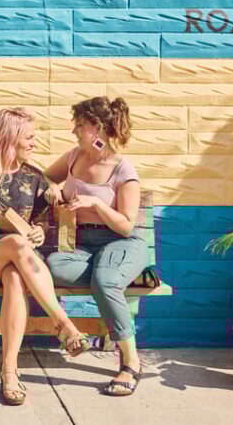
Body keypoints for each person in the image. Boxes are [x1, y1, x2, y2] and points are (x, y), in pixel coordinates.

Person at [0, 107, 90, 407]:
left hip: (19, 260)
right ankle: (64, 324)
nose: (34, 143)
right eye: (29, 137)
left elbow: (41, 220)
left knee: (15, 279)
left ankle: (9, 370)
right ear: (11, 136)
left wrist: (40, 232)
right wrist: (2, 218)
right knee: (17, 243)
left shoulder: (35, 176)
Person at [44, 96, 148, 397]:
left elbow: (126, 225)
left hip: (121, 242)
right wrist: (51, 185)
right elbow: (45, 176)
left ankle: (130, 362)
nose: (74, 131)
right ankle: (115, 278)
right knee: (54, 267)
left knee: (104, 280)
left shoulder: (122, 169)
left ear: (97, 127)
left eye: (79, 125)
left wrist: (95, 204)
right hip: (84, 246)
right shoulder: (75, 156)